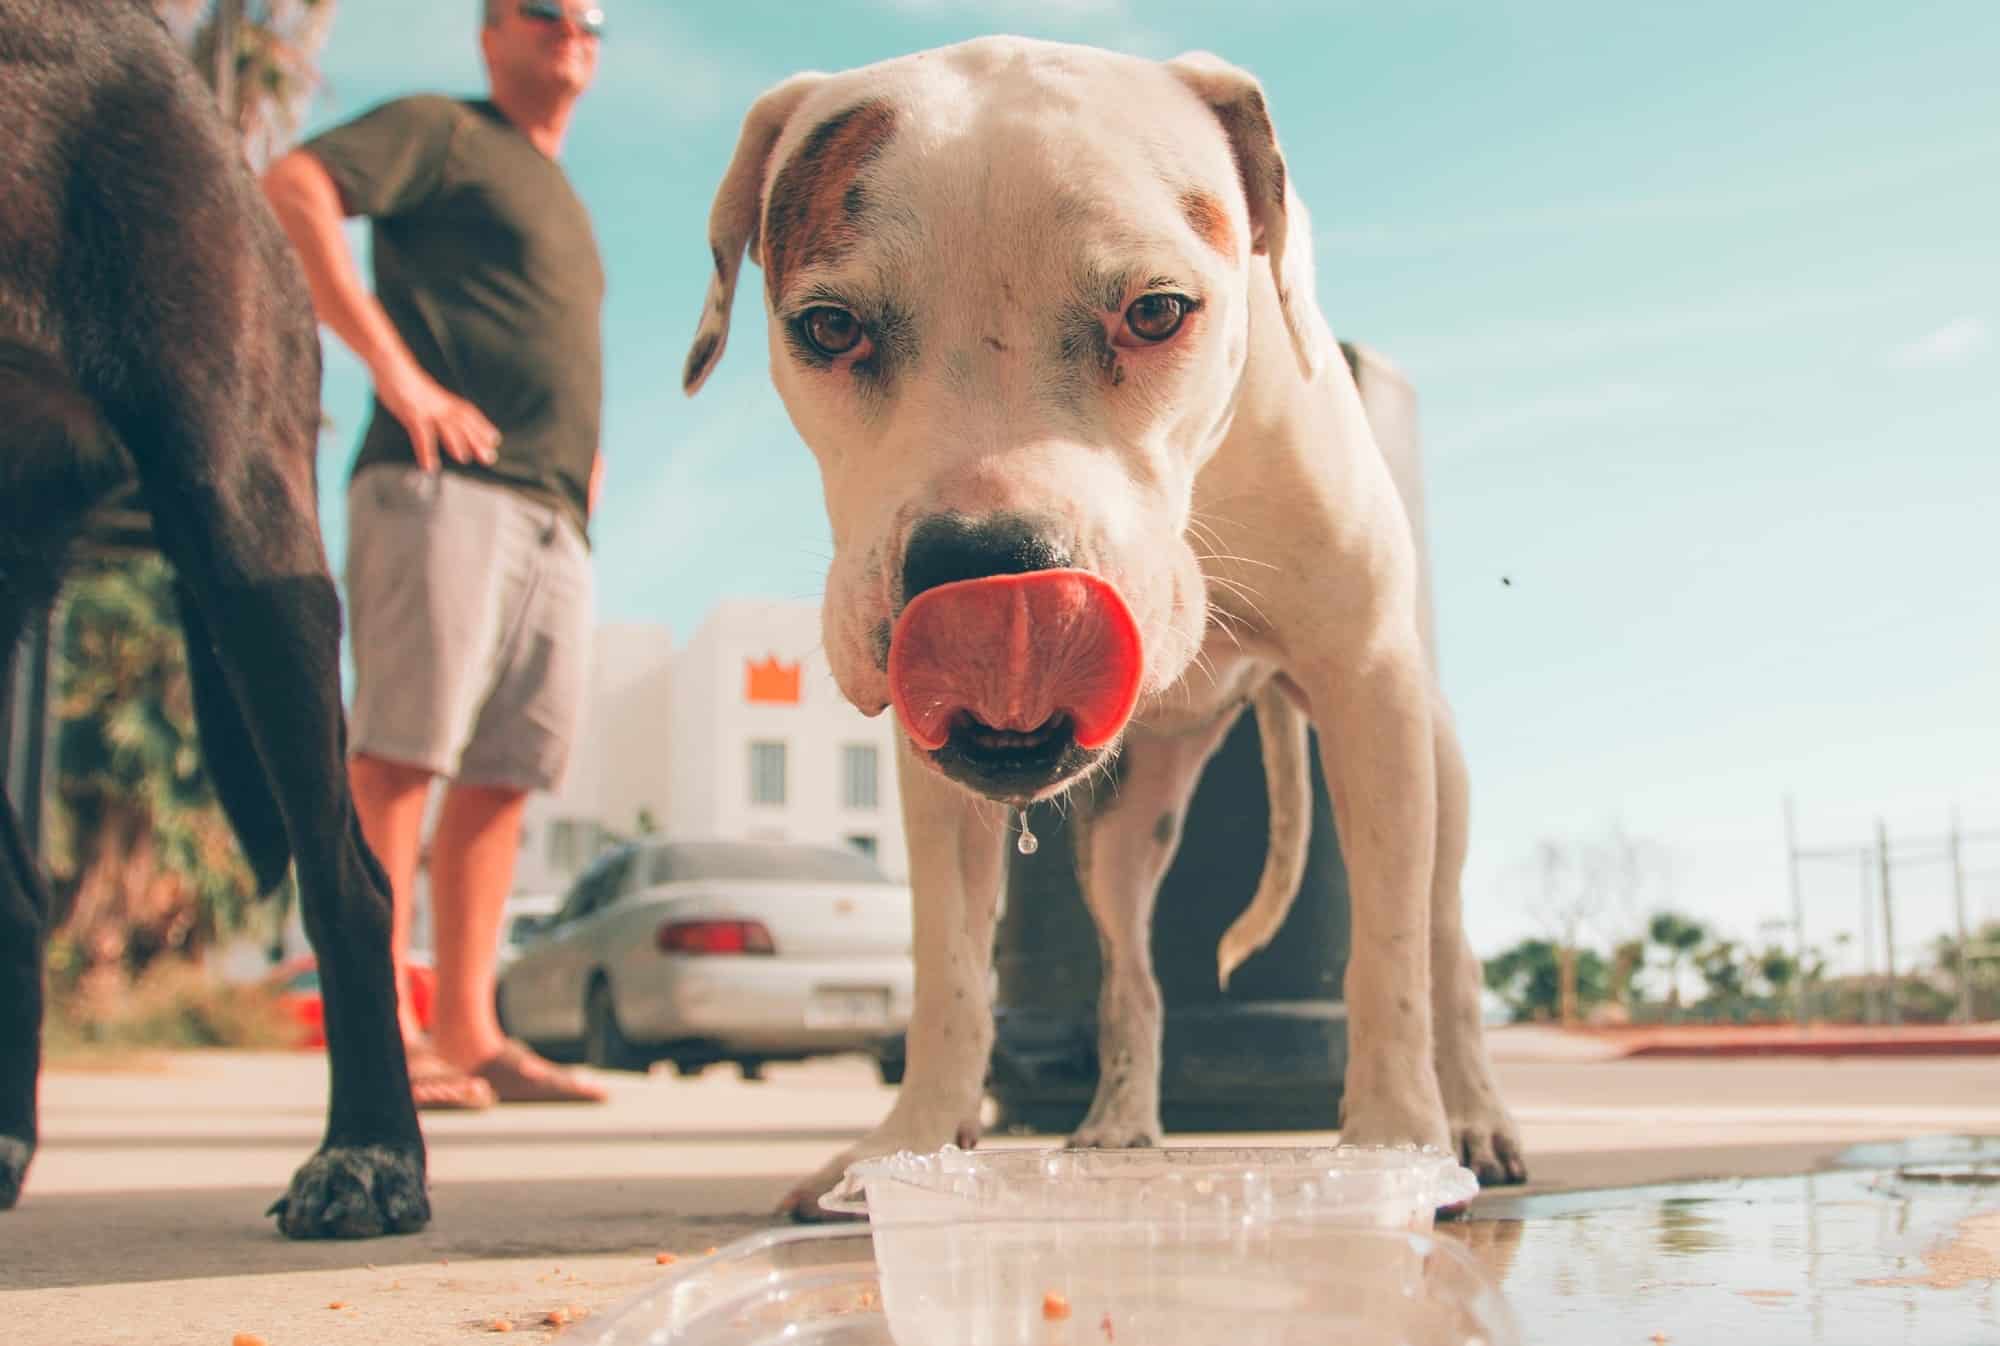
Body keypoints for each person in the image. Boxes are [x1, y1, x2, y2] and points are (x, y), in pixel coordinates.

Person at [262, 0, 612, 1108]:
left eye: (591, 21)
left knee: (507, 775)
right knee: (404, 754)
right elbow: (293, 189)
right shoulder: (446, 131)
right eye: (545, 11)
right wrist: (396, 372)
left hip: (552, 510)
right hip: (441, 487)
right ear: (490, 33)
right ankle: (380, 1028)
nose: (572, 29)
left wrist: (583, 466)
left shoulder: (557, 189)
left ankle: (468, 1028)